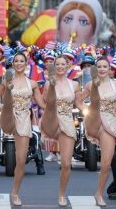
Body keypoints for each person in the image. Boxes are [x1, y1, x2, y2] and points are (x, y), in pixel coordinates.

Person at [0, 52, 47, 206]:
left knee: (21, 160)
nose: (18, 63)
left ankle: (15, 192)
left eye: (21, 61)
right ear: (12, 63)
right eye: (15, 61)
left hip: (24, 119)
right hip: (7, 117)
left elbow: (42, 104)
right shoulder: (6, 80)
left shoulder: (32, 83)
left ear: (26, 63)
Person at [81, 57, 116, 207]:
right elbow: (79, 100)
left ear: (110, 69)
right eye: (99, 66)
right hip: (94, 120)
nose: (102, 69)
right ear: (96, 69)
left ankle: (98, 193)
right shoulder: (90, 84)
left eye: (105, 66)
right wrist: (82, 108)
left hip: (109, 123)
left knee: (105, 164)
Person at [43, 55, 83, 207]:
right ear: (54, 67)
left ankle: (61, 193)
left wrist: (92, 111)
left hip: (67, 121)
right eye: (57, 64)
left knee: (66, 164)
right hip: (52, 121)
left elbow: (79, 104)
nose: (60, 67)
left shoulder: (74, 85)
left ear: (68, 67)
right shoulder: (48, 84)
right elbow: (44, 102)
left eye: (63, 64)